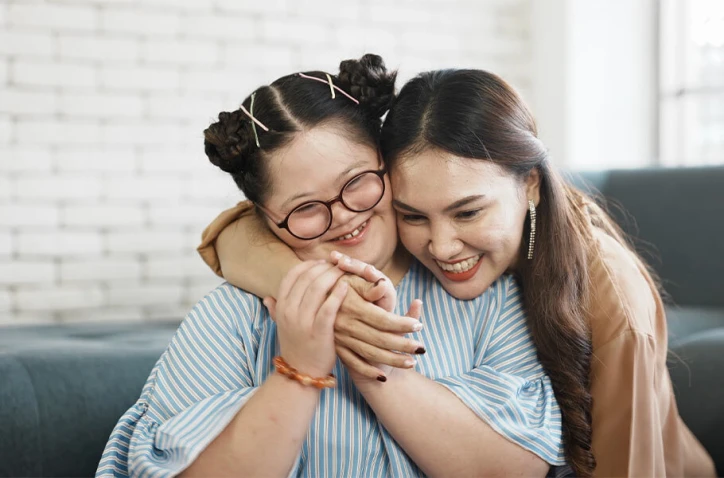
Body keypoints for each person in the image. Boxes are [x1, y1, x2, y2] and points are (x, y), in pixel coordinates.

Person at [200, 63, 717, 477]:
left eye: (468, 211)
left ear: (531, 185)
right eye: (413, 215)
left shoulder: (613, 303)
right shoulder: (352, 218)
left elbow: (627, 463)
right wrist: (333, 308)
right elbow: (236, 231)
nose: (442, 247)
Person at [96, 55, 566, 478]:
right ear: (265, 220)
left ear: (388, 164)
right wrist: (297, 371)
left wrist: (374, 364)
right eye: (305, 208)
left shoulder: (489, 297)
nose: (342, 216)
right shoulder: (234, 318)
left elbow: (515, 469)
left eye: (357, 182)